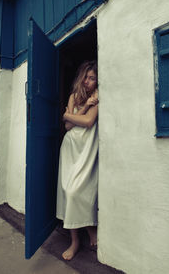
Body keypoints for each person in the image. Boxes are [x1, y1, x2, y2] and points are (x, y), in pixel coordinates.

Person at [56, 60, 99, 261]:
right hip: (69, 149)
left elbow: (89, 122)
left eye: (92, 78)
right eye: (86, 76)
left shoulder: (97, 97)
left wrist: (69, 115)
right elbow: (67, 127)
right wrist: (78, 111)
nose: (87, 81)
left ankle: (90, 227)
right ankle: (75, 241)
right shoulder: (74, 96)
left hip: (86, 150)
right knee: (68, 191)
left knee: (79, 191)